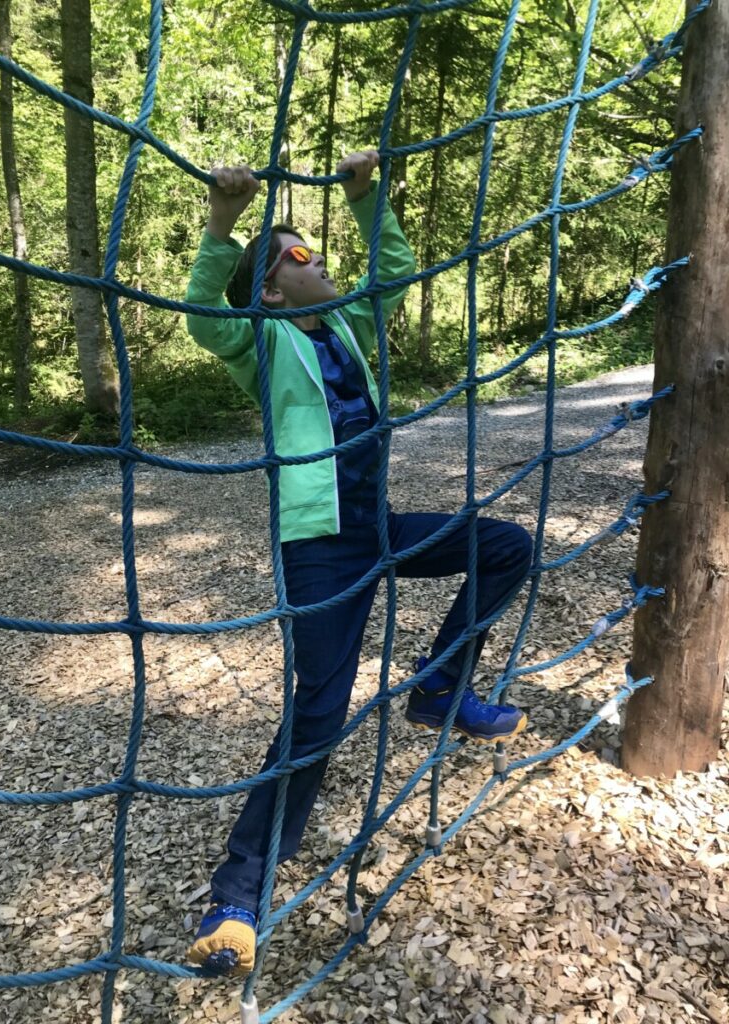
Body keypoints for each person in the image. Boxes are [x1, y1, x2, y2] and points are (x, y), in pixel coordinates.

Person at [184, 151, 532, 977]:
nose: (319, 258)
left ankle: (440, 686)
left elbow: (398, 269)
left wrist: (367, 195)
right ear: (271, 287)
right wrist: (223, 225)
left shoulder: (345, 325)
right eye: (301, 254)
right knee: (319, 710)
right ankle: (238, 893)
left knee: (506, 544)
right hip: (321, 545)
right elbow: (203, 314)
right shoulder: (262, 341)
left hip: (377, 525)